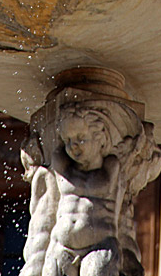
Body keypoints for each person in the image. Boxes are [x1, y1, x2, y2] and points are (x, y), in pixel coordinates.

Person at [42, 107, 122, 276]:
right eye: (68, 140)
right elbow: (53, 145)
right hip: (62, 247)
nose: (73, 146)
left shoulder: (112, 166)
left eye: (81, 138)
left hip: (99, 245)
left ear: (99, 138)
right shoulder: (62, 165)